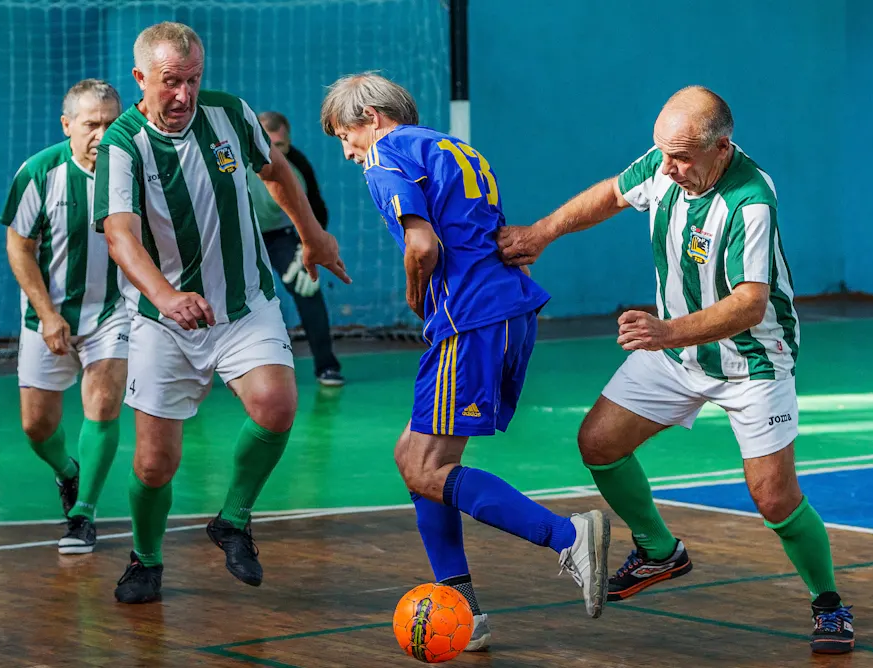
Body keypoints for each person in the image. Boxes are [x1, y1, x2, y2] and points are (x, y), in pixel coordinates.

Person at [496, 85, 854, 655]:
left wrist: (663, 331)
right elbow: (612, 195)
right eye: (663, 153)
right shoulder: (667, 163)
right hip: (677, 350)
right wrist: (542, 233)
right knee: (600, 441)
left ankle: (829, 604)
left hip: (753, 360)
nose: (668, 168)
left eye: (683, 157)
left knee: (773, 497)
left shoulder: (750, 200)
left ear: (722, 147)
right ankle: (660, 551)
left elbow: (749, 304)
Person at [320, 73, 613, 650]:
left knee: (427, 468)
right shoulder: (454, 148)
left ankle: (567, 535)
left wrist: (413, 290)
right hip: (503, 310)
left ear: (371, 118)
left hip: (469, 321)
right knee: (412, 457)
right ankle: (463, 606)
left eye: (343, 135)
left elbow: (423, 245)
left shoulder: (387, 156)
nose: (348, 152)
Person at [94, 22, 351, 605]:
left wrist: (312, 236)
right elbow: (119, 236)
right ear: (139, 79)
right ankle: (146, 558)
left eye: (192, 79)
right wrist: (165, 297)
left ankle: (233, 520)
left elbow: (277, 172)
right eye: (169, 83)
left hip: (244, 302)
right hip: (165, 320)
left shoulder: (230, 115)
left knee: (277, 404)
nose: (183, 94)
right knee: (155, 463)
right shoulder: (121, 144)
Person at [0, 78, 126, 555]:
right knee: (36, 426)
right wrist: (47, 314)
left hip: (116, 311)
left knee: (103, 403)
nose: (102, 134)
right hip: (48, 316)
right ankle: (68, 473)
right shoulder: (38, 172)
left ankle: (83, 515)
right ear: (67, 124)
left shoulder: (135, 168)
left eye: (111, 123)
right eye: (91, 124)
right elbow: (19, 247)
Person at [247, 110, 345, 386]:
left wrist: (307, 248)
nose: (276, 153)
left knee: (308, 287)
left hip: (282, 235)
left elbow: (316, 208)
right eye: (270, 146)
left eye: (282, 146)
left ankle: (327, 366)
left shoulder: (297, 163)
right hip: (241, 235)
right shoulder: (233, 160)